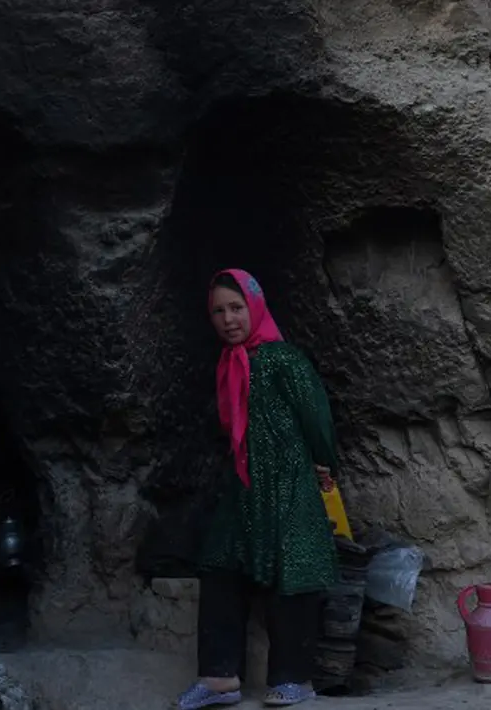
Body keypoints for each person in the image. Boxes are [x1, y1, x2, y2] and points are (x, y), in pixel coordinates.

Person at [177, 269, 339, 709]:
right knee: (219, 564)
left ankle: (294, 679)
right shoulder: (228, 364)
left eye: (237, 308)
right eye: (218, 311)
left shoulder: (285, 359)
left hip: (289, 485)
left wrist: (326, 462)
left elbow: (317, 417)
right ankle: (218, 678)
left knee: (294, 568)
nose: (229, 318)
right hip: (244, 490)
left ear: (255, 307)